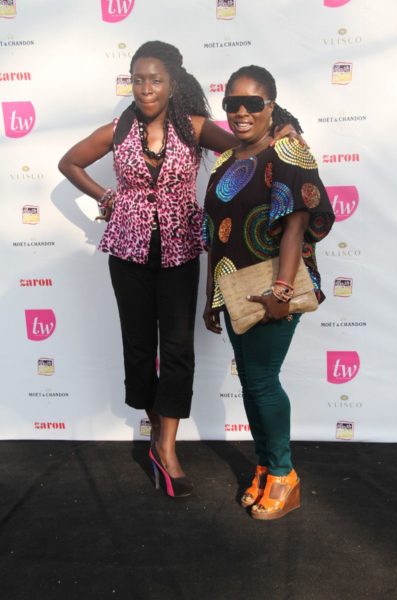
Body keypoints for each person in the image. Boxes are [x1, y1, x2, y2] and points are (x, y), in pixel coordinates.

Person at [58, 41, 301, 499]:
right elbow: (68, 162)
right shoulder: (116, 131)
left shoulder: (194, 128)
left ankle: (167, 450)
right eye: (138, 80)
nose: (146, 88)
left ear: (172, 85)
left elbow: (249, 148)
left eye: (155, 80)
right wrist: (106, 197)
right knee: (138, 349)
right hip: (127, 253)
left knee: (176, 351)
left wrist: (283, 129)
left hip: (180, 252)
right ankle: (156, 432)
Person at [203, 65, 335, 519]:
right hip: (234, 287)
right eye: (232, 104)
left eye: (252, 103)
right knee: (252, 382)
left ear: (270, 106)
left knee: (262, 381)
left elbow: (296, 225)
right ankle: (264, 467)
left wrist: (281, 291)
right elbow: (217, 234)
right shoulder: (226, 160)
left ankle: (284, 475)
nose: (241, 112)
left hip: (274, 286)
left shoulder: (288, 152)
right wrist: (212, 296)